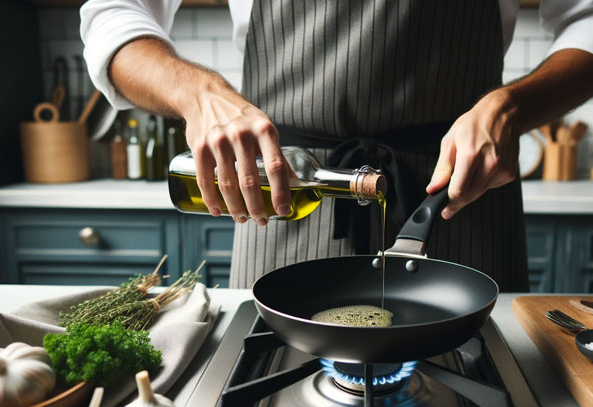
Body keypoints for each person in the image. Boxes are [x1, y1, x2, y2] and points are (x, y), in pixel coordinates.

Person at [81, 0, 593, 290]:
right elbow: (112, 14)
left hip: (459, 194)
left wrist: (511, 107)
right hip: (282, 193)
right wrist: (197, 93)